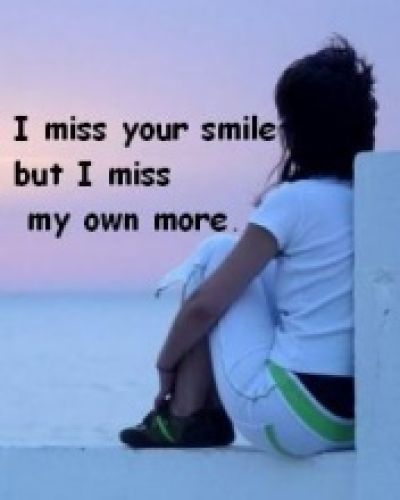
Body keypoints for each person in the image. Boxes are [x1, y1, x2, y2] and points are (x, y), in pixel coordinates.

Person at [119, 35, 377, 457]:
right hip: (358, 422)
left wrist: (165, 363)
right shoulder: (373, 204)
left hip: (295, 419)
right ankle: (194, 416)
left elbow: (203, 307)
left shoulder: (293, 201)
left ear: (293, 131)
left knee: (217, 251)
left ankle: (184, 417)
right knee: (272, 271)